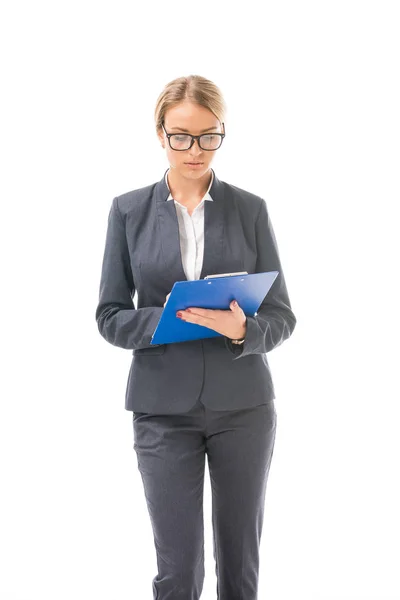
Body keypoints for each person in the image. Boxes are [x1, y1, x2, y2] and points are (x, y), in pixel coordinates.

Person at [95, 74, 296, 600]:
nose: (196, 149)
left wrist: (243, 330)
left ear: (222, 134)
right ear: (160, 134)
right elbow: (110, 315)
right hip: (162, 411)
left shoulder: (249, 208)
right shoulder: (128, 211)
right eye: (182, 136)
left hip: (244, 409)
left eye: (210, 136)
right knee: (178, 571)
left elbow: (282, 315)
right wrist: (167, 322)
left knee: (240, 566)